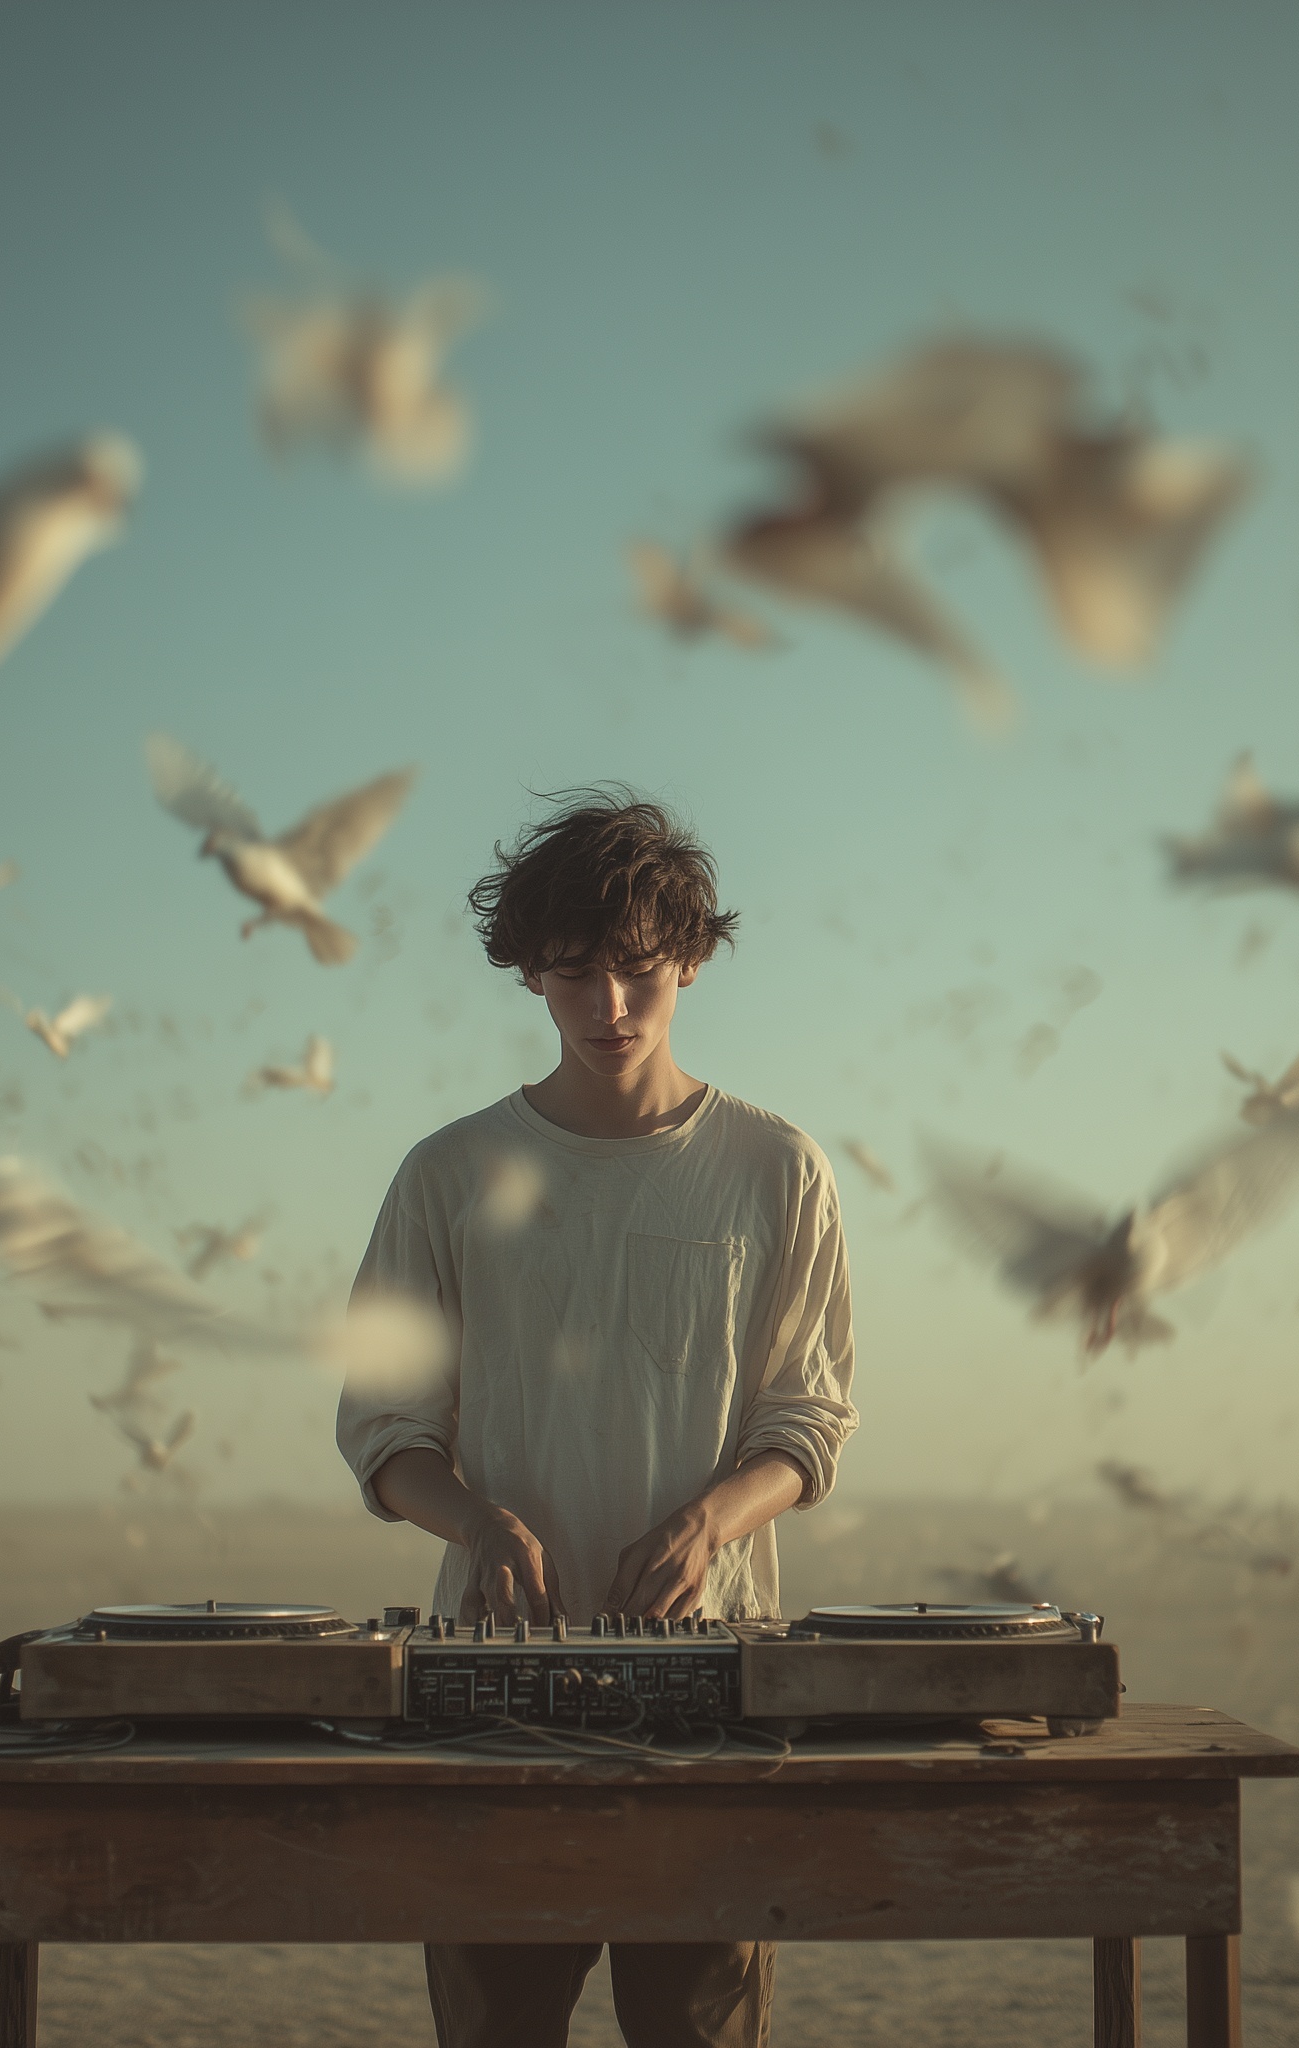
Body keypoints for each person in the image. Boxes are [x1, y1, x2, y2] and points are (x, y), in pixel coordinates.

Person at [335, 788, 859, 2048]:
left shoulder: (774, 1167)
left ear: (690, 958)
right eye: (573, 972)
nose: (608, 1007)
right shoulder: (448, 1173)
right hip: (491, 1700)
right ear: (530, 972)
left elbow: (808, 1415)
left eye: (637, 970)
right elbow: (382, 1426)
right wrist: (472, 1513)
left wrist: (715, 1517)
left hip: (716, 1692)